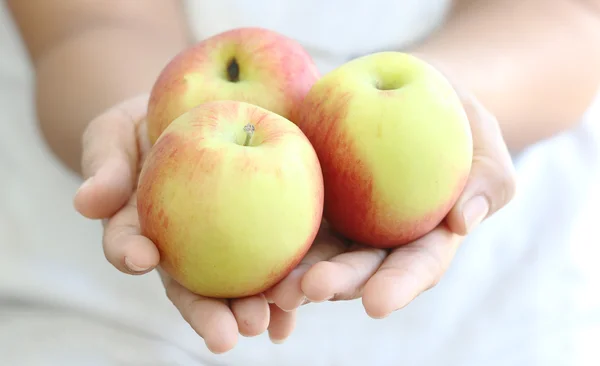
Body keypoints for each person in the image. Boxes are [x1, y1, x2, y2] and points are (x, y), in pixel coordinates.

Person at [2, 0, 600, 364]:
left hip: (502, 310)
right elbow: (88, 21)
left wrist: (444, 105)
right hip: (97, 322)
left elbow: (573, 16)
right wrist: (142, 131)